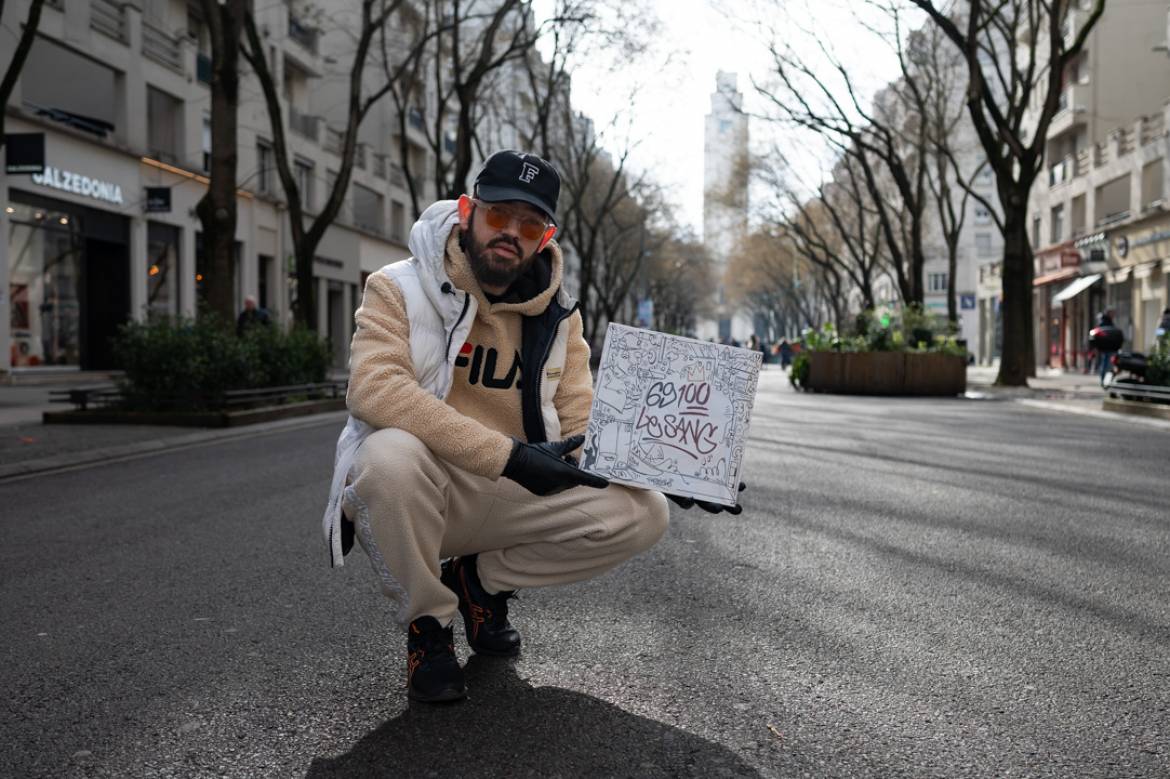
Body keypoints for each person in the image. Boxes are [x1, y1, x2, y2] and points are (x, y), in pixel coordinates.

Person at [321, 150, 745, 704]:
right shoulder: (396, 287)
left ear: (545, 237)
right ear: (469, 211)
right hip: (431, 490)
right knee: (388, 457)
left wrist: (681, 468)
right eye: (499, 216)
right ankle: (429, 627)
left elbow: (584, 420)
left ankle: (480, 582)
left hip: (518, 487)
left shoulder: (561, 316)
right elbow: (373, 389)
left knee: (644, 513)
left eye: (529, 224)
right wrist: (509, 456)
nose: (510, 234)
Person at [1088, 309, 1123, 386]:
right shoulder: (1105, 322)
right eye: (1112, 313)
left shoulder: (1106, 322)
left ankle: (1105, 380)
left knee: (1107, 364)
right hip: (1107, 347)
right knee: (1106, 364)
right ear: (1108, 314)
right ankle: (1104, 380)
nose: (1113, 315)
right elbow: (1099, 333)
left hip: (1109, 347)